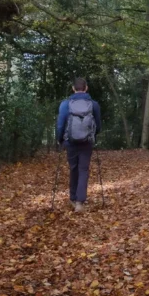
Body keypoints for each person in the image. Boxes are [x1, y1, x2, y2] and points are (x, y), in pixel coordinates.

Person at [56, 77, 101, 212]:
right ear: (86, 88)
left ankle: (73, 198)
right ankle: (80, 202)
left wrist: (60, 140)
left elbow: (60, 125)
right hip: (87, 142)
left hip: (70, 141)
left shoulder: (65, 104)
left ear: (73, 88)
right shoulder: (94, 105)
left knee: (73, 169)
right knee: (83, 170)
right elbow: (98, 125)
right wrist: (94, 135)